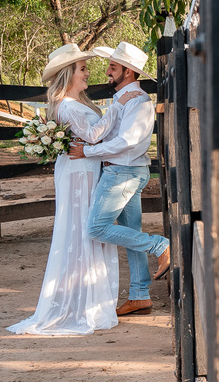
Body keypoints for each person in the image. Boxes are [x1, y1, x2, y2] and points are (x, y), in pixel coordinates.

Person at [7, 44, 142, 335]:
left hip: (86, 168)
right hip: (79, 172)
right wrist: (119, 103)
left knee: (90, 228)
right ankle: (83, 304)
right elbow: (93, 135)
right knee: (84, 228)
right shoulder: (67, 106)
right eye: (82, 69)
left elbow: (96, 135)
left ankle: (91, 299)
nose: (88, 73)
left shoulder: (76, 103)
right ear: (68, 74)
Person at [69, 41, 170, 316]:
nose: (107, 72)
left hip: (122, 173)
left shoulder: (138, 101)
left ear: (128, 71)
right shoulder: (122, 99)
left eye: (113, 67)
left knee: (96, 228)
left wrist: (89, 152)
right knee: (130, 234)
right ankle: (140, 294)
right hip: (122, 171)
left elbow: (127, 141)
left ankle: (160, 245)